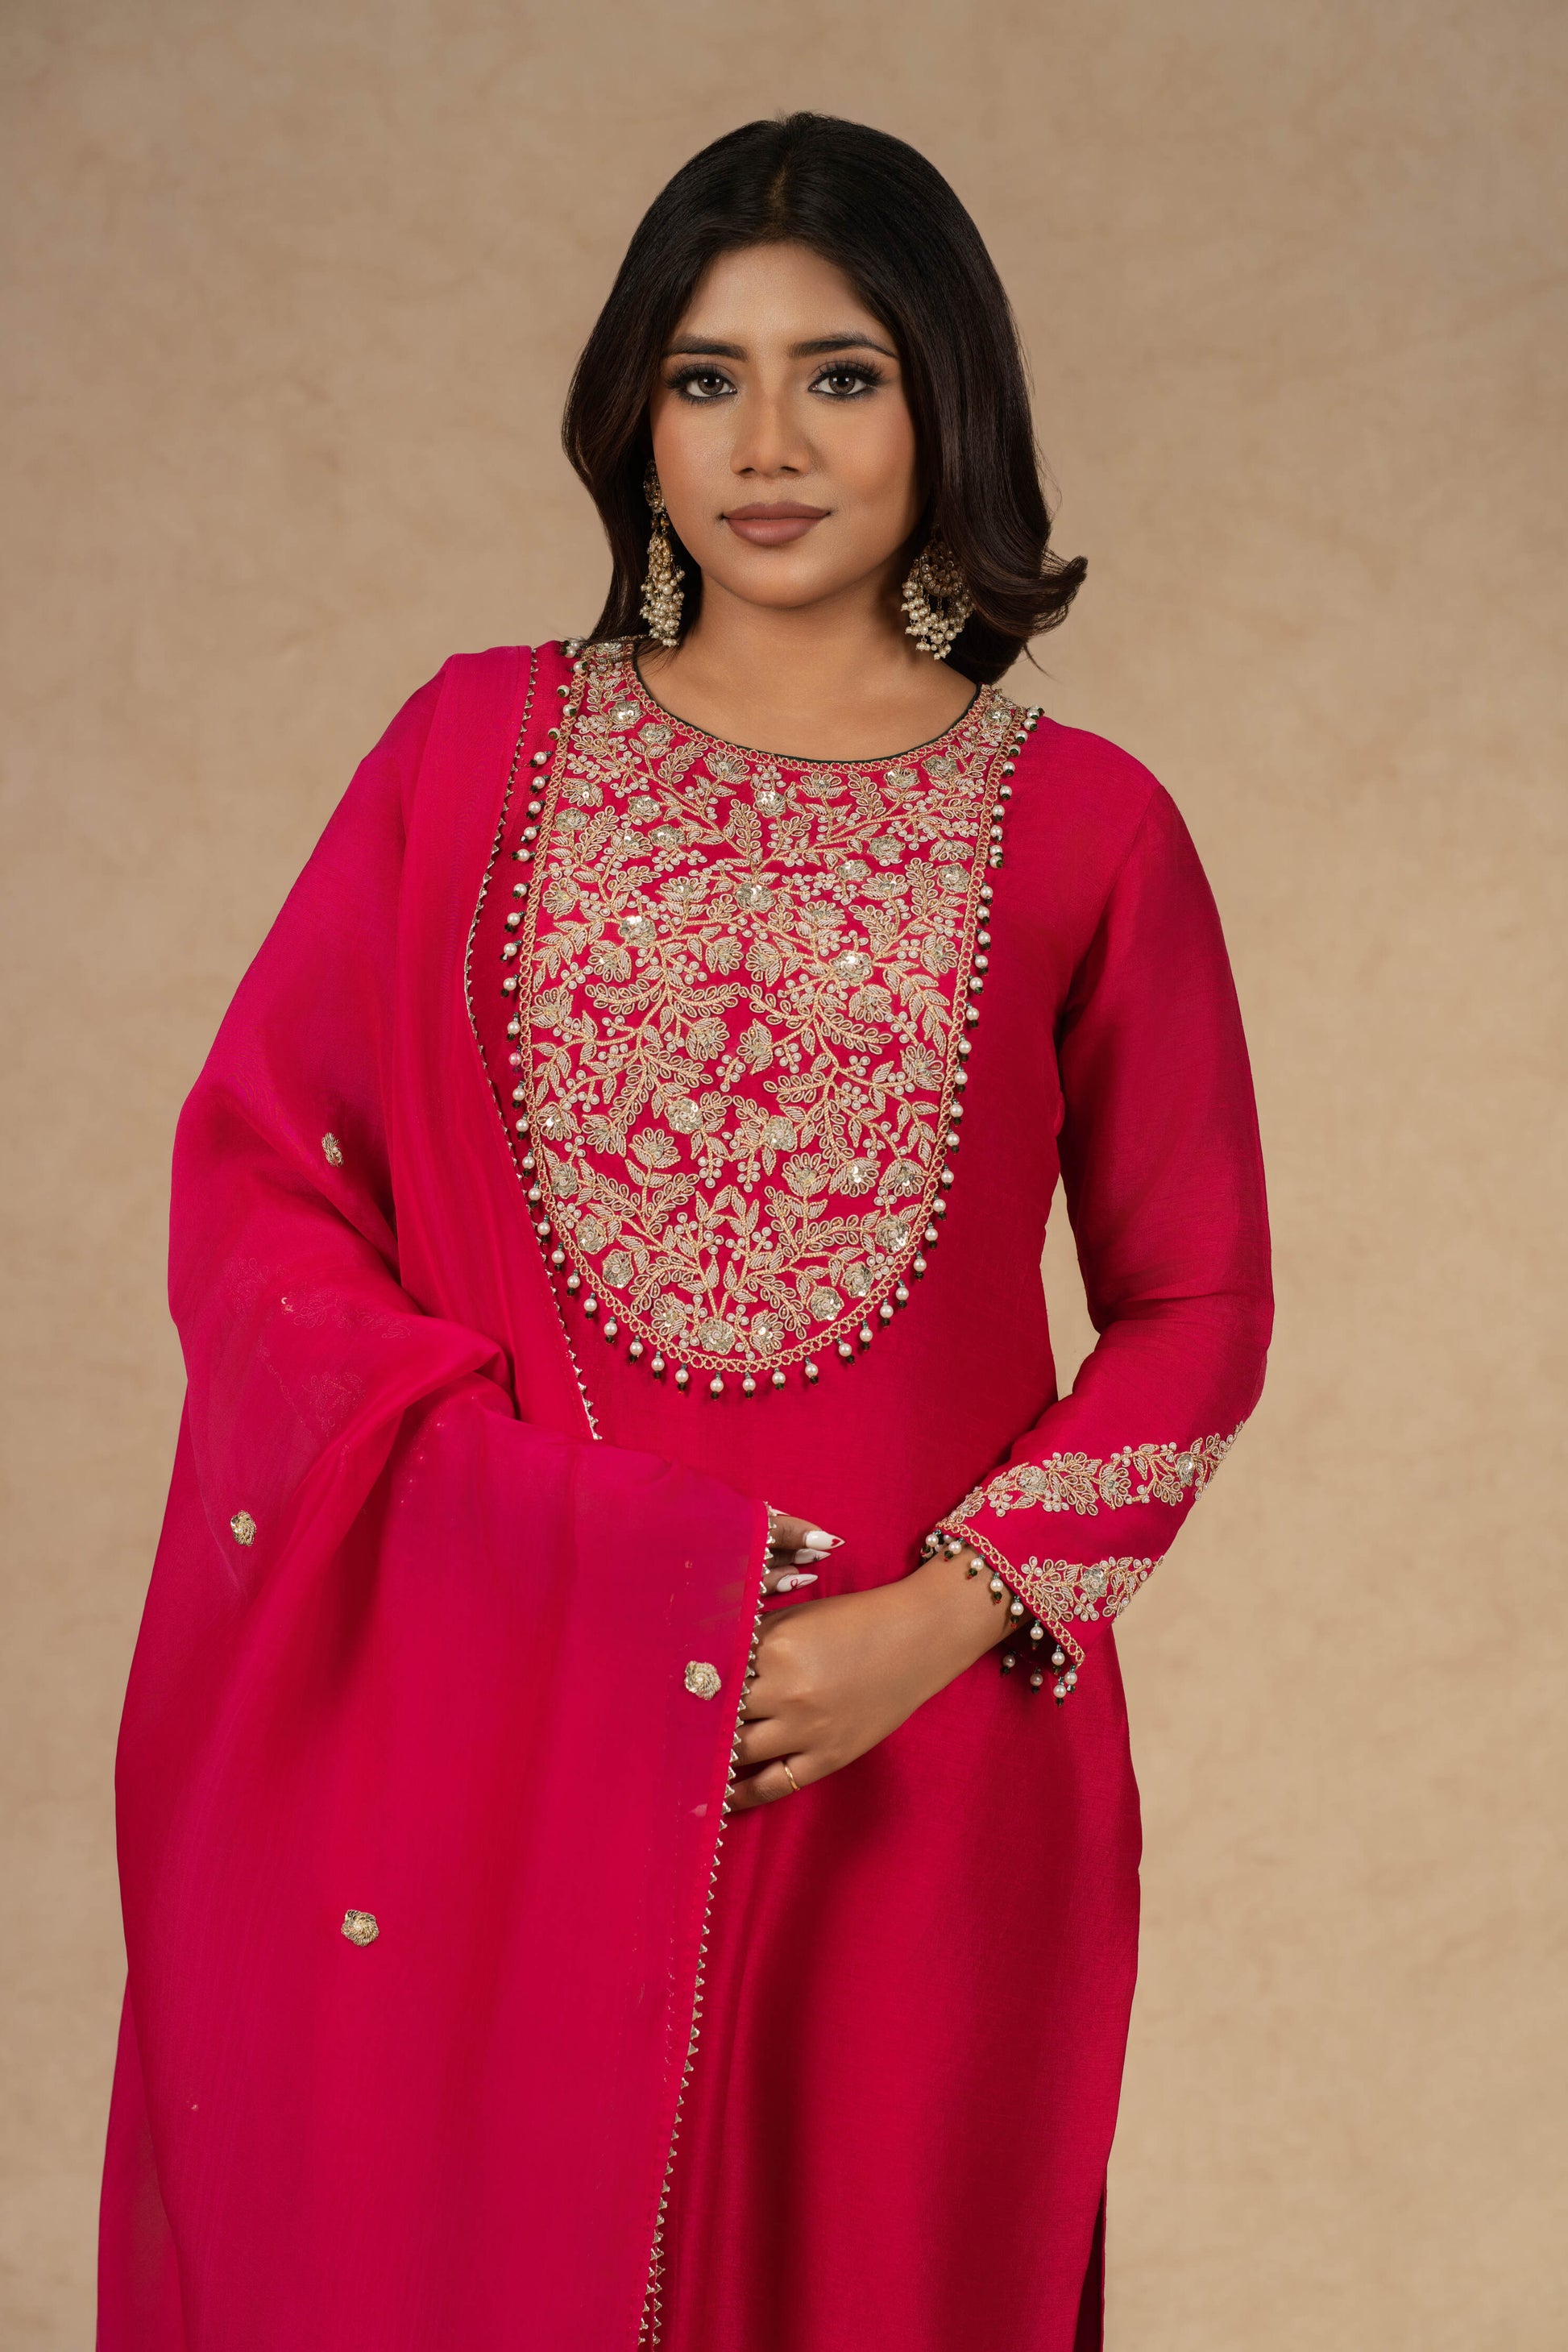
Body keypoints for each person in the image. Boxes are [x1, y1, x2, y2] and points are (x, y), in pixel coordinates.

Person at [100, 113, 1271, 2352]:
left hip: (912, 1747)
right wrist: (522, 1545)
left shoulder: (1090, 828)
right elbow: (262, 1182)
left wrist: (950, 1617)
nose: (766, 441)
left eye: (838, 375)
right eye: (703, 374)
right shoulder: (468, 753)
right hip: (497, 1702)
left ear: (948, 404)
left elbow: (1196, 1308)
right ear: (632, 413)